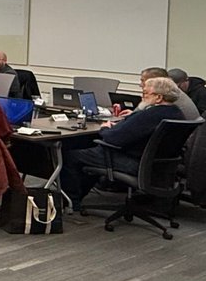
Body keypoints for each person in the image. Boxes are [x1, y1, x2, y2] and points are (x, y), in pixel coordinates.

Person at [60, 77, 186, 205]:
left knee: (71, 156)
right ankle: (78, 197)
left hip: (134, 162)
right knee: (88, 150)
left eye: (145, 93)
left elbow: (114, 139)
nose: (142, 96)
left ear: (158, 98)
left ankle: (71, 202)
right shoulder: (177, 113)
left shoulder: (150, 114)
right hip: (157, 166)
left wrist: (104, 128)